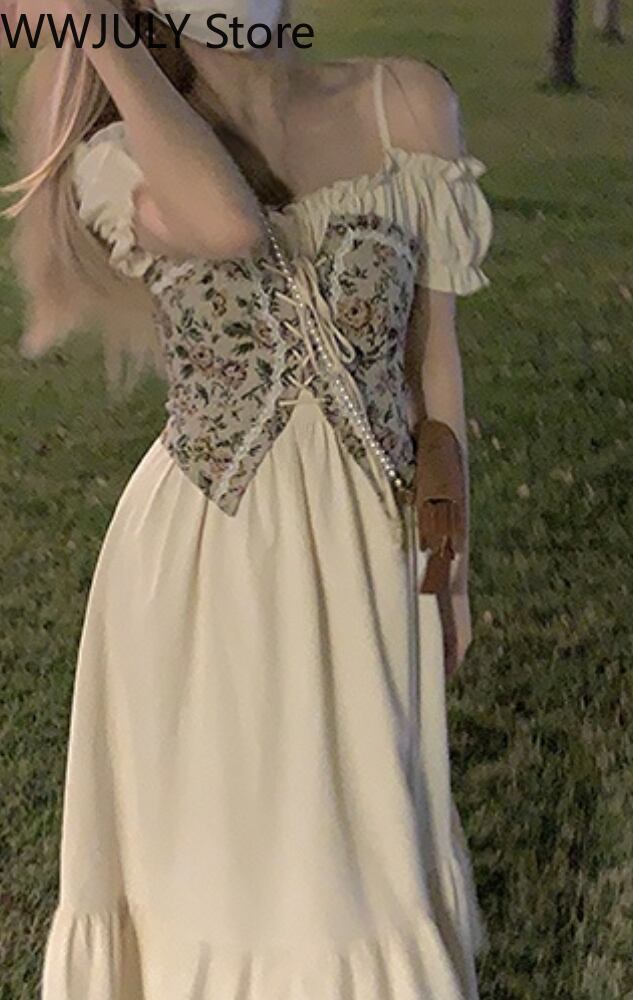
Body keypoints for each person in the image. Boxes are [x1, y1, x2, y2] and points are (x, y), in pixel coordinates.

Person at [0, 0, 494, 996]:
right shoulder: (120, 154)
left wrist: (450, 560)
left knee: (362, 870)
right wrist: (104, 36)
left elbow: (432, 363)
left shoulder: (407, 102)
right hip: (206, 573)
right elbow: (227, 224)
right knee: (230, 883)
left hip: (367, 555)